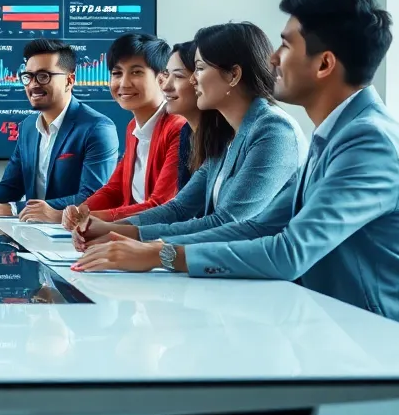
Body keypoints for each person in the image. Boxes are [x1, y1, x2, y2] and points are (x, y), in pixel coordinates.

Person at [75, 0, 399, 415]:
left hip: (361, 371)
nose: (273, 59)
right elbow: (264, 224)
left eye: (286, 45)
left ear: (325, 63)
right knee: (146, 412)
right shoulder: (332, 135)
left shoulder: (370, 142)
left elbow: (289, 251)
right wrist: (149, 249)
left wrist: (162, 255)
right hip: (319, 346)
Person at [68, 22, 305, 264]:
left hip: (267, 282)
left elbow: (229, 222)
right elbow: (179, 208)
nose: (193, 81)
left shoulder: (273, 130)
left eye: (199, 69)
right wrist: (114, 227)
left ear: (234, 75)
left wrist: (140, 241)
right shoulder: (225, 133)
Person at [0, 38, 118, 221]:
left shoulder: (97, 128)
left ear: (69, 80)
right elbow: (11, 186)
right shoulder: (28, 128)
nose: (33, 85)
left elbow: (92, 197)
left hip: (73, 237)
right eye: (28, 77)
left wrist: (13, 209)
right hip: (32, 233)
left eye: (43, 76)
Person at [51, 34, 186, 228]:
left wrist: (94, 219)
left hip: (158, 241)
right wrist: (80, 211)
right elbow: (113, 190)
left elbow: (160, 206)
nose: (124, 83)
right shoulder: (134, 127)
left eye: (136, 72)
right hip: (132, 235)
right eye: (117, 73)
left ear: (163, 77)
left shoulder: (178, 128)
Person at [163, 41, 202, 189]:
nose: (166, 86)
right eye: (167, 75)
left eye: (178, 76)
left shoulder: (226, 138)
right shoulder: (187, 132)